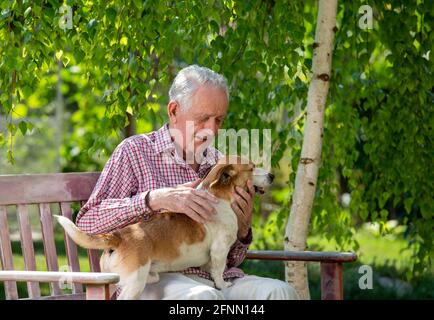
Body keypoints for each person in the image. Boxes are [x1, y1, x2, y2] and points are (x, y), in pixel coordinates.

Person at [76, 64, 299, 300]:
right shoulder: (135, 152)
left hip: (214, 278)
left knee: (279, 292)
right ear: (173, 111)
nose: (212, 130)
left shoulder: (220, 165)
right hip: (154, 275)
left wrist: (242, 229)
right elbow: (87, 223)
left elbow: (231, 258)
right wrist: (153, 200)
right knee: (203, 298)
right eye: (203, 118)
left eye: (219, 120)